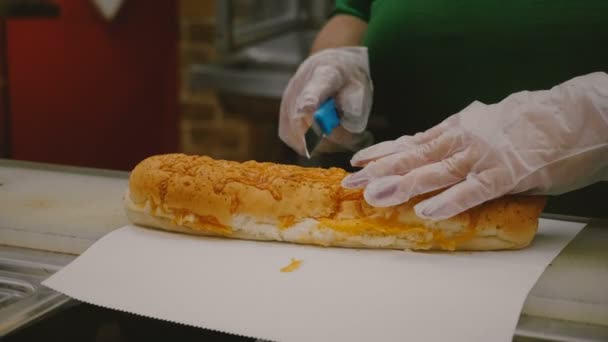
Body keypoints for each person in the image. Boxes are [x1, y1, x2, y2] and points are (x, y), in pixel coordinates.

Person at [279, 1, 608, 219]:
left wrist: (583, 119)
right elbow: (354, 11)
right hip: (385, 208)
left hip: (584, 234)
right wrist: (331, 61)